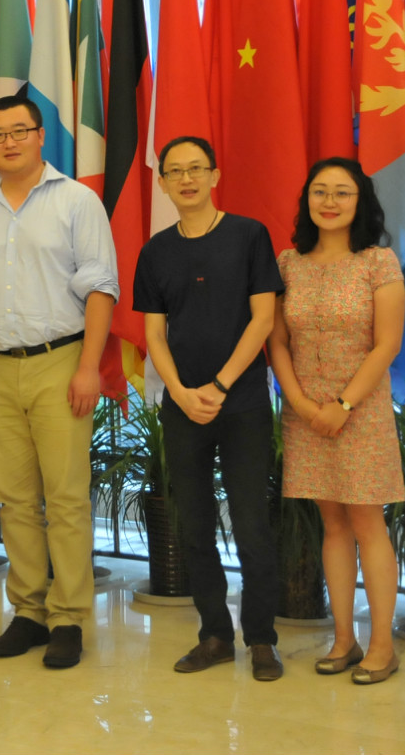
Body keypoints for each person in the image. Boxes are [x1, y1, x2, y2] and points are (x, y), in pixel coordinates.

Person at [0, 94, 118, 670]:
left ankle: (68, 617)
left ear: (41, 135)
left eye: (19, 131)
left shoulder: (77, 200)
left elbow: (101, 286)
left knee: (66, 498)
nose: (8, 142)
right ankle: (28, 610)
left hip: (61, 361)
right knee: (14, 497)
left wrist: (88, 367)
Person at [134, 136, 284, 682]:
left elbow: (263, 319)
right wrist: (178, 391)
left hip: (241, 403)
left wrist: (219, 386)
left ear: (215, 175)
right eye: (175, 171)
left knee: (251, 525)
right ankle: (215, 634)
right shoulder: (155, 251)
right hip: (182, 406)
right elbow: (154, 333)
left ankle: (261, 639)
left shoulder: (249, 235)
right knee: (193, 526)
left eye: (196, 168)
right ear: (162, 183)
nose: (187, 178)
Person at [267, 157, 405, 685]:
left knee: (368, 523)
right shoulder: (288, 264)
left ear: (360, 200)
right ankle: (344, 639)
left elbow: (387, 344)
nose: (329, 201)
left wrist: (343, 405)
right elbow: (278, 342)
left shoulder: (379, 262)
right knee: (333, 524)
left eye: (342, 192)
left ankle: (383, 645)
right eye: (320, 191)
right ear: (306, 200)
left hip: (361, 412)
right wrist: (302, 405)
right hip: (305, 412)